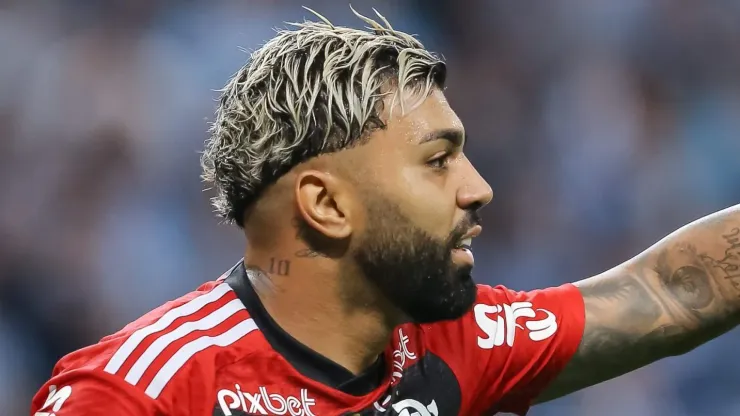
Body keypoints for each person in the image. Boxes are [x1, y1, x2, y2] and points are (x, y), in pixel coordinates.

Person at [31, 8, 740, 416]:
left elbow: (669, 292)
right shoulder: (139, 393)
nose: (478, 187)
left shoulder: (451, 342)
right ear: (326, 204)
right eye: (437, 161)